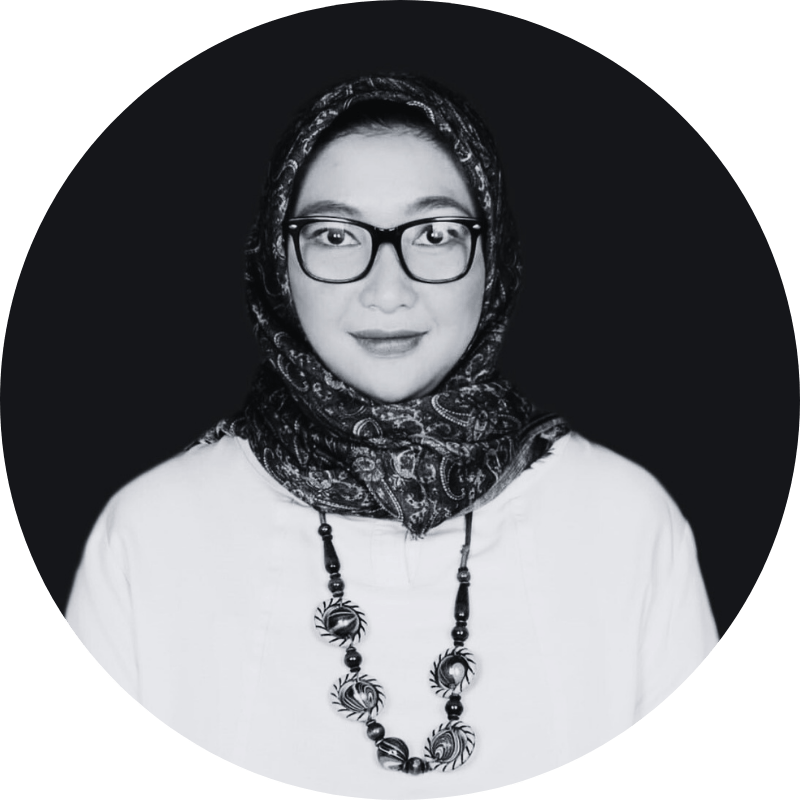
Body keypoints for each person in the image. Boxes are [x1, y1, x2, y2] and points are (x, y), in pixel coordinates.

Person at [66, 74, 718, 800]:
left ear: (493, 256)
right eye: (335, 236)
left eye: (435, 235)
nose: (386, 291)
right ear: (278, 261)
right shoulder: (151, 533)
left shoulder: (624, 520)